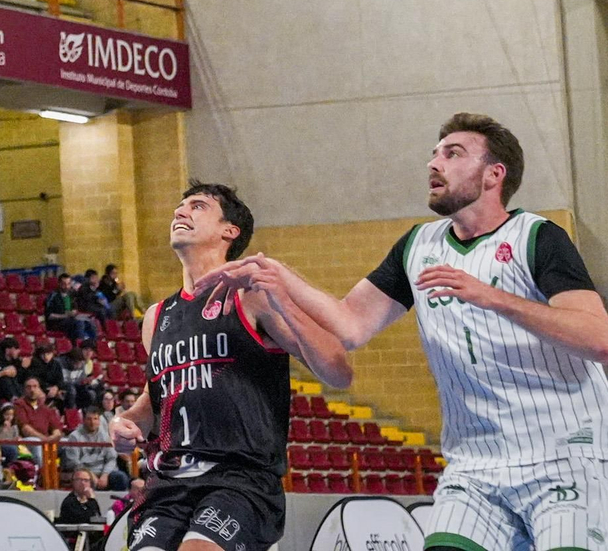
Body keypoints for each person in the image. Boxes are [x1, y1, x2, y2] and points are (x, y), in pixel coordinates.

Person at [198, 113, 608, 551]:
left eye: (453, 154)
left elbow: (598, 339)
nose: (435, 163)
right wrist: (278, 278)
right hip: (475, 465)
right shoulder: (418, 246)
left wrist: (494, 297)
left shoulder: (538, 237)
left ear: (494, 175)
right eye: (434, 154)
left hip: (567, 455)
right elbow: (351, 325)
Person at [111, 185, 350, 551]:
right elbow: (155, 397)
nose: (180, 212)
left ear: (230, 230)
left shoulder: (250, 295)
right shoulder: (157, 316)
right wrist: (127, 421)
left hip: (239, 478)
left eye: (197, 206)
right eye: (179, 207)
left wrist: (282, 301)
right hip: (170, 482)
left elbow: (338, 371)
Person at [63, 406, 127, 491]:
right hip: (83, 471)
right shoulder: (74, 436)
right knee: (84, 480)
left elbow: (111, 459)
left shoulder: (106, 436)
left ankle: (119, 503)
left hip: (104, 471)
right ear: (83, 420)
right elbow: (74, 462)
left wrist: (105, 475)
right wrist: (90, 474)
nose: (92, 422)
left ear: (99, 421)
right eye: (89, 419)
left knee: (121, 478)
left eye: (95, 419)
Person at [57, 468, 108, 551]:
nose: (83, 483)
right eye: (79, 480)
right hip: (75, 539)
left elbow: (96, 517)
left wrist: (91, 500)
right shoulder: (69, 501)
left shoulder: (91, 500)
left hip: (92, 539)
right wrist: (91, 500)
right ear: (73, 482)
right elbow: (84, 518)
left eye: (86, 480)